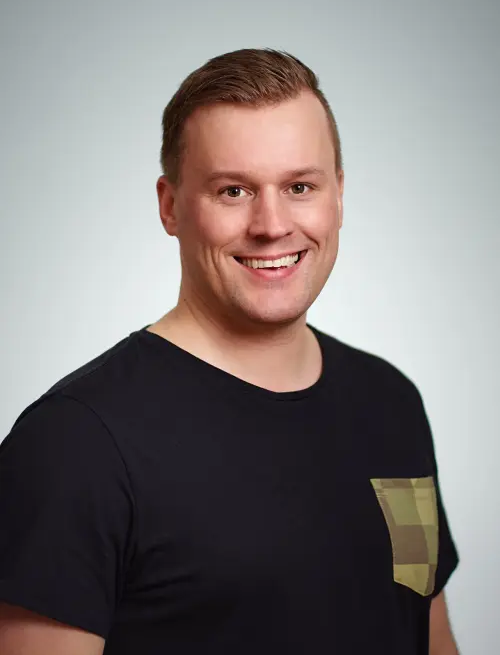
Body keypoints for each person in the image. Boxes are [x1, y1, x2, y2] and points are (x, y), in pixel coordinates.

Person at [0, 48, 459, 654]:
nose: (272, 224)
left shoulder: (391, 404)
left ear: (339, 196)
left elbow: (426, 632)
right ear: (170, 205)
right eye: (234, 190)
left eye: (300, 186)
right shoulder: (75, 445)